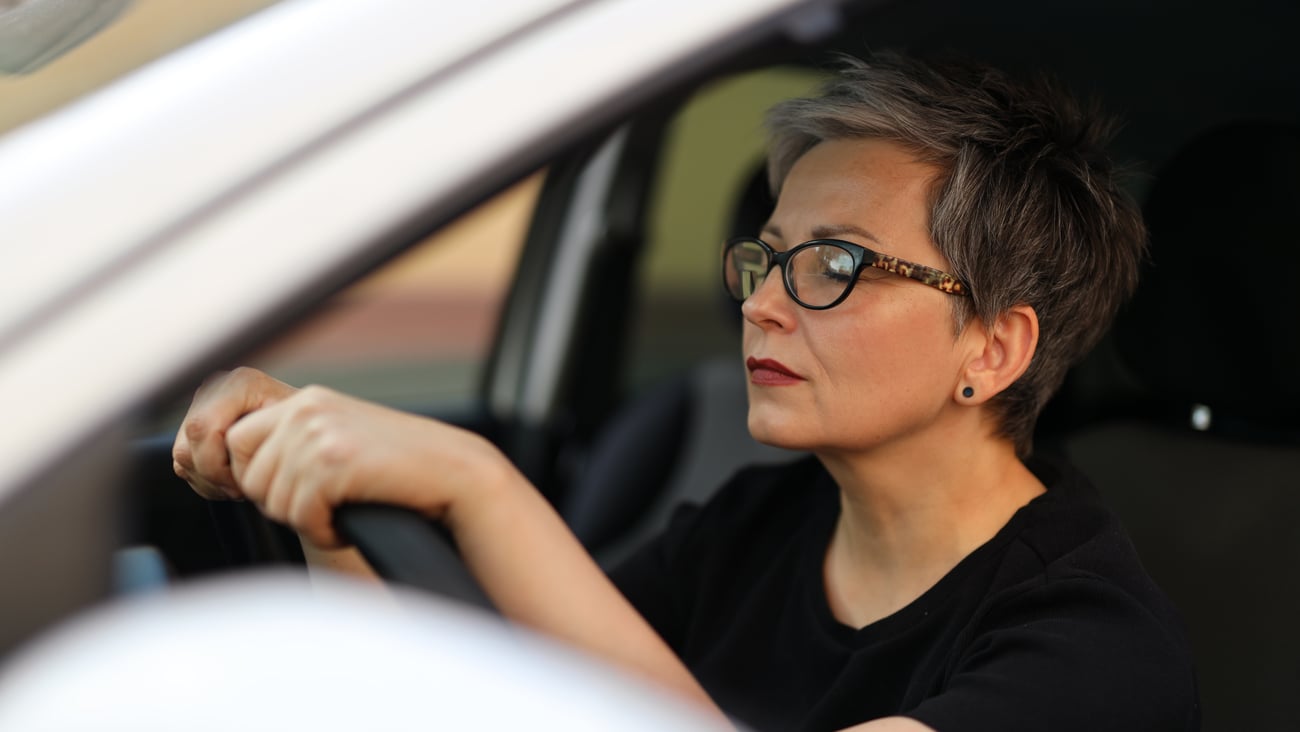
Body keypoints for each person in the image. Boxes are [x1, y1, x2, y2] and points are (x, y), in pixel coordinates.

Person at [173, 53, 1199, 731]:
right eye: (768, 257)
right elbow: (500, 706)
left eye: (835, 264)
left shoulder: (1096, 657)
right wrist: (323, 506)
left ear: (994, 347)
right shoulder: (754, 527)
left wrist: (478, 485)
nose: (762, 304)